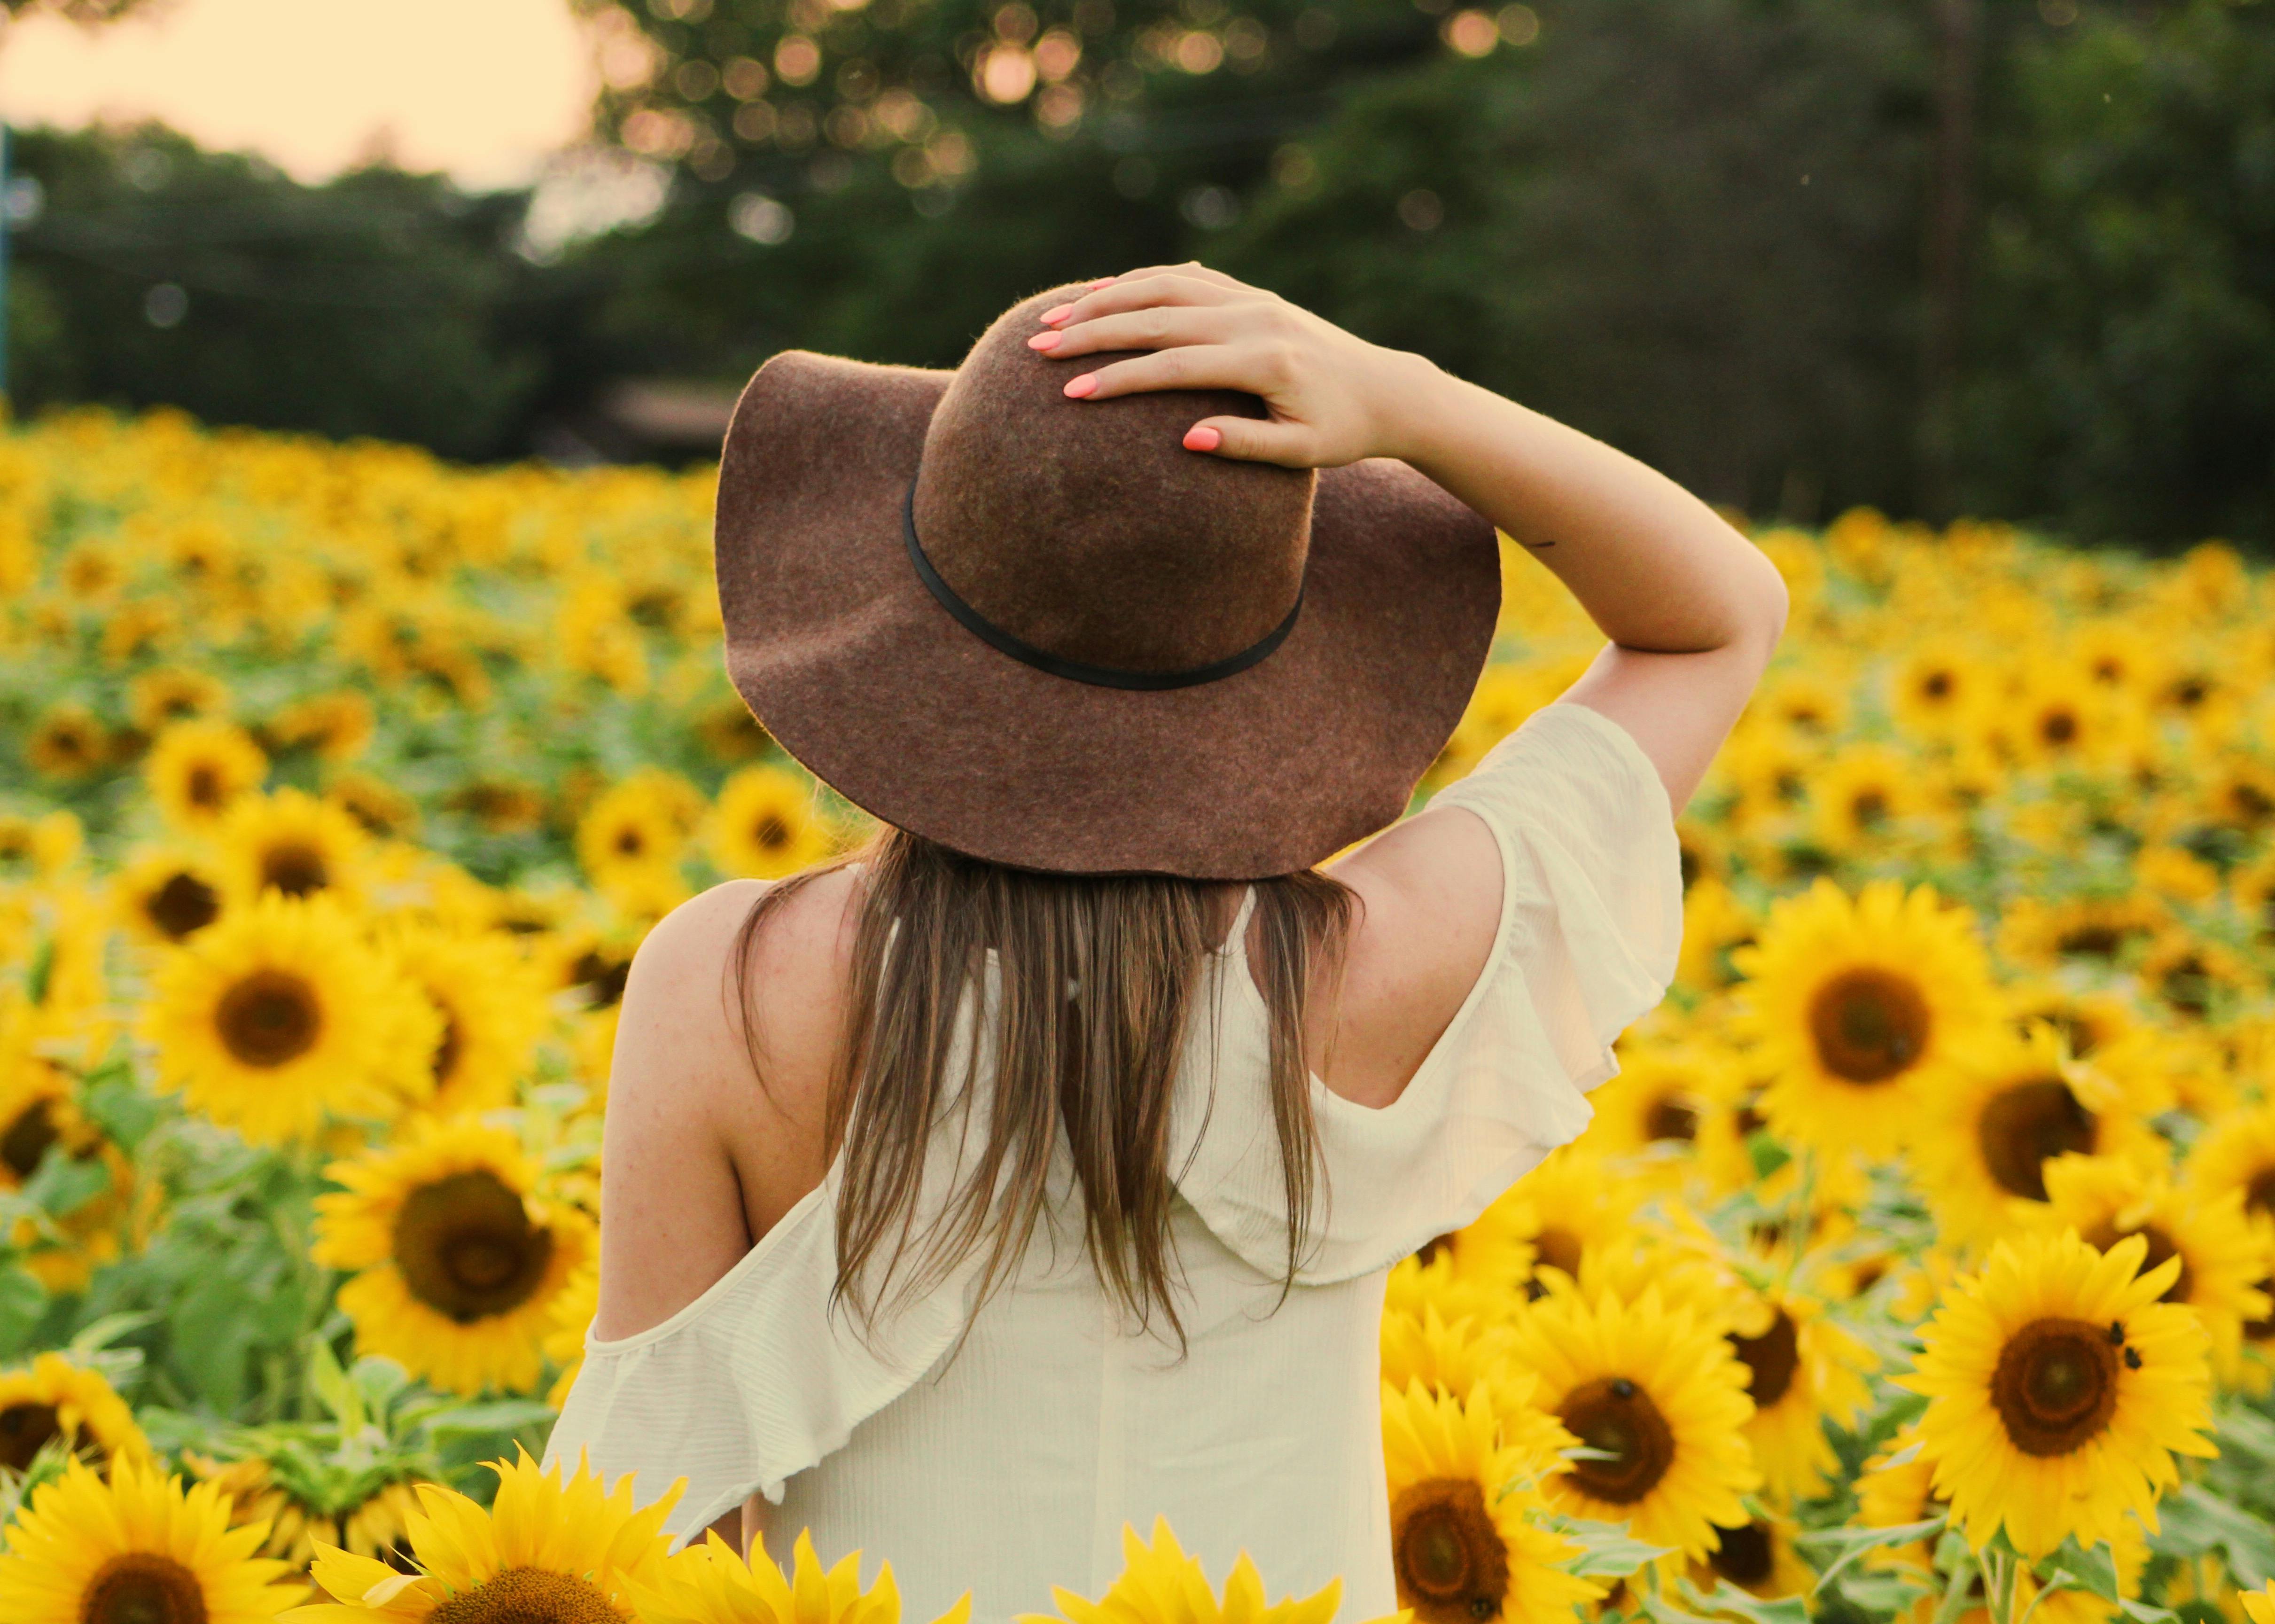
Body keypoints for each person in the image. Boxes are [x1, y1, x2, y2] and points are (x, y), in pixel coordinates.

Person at [544, 263, 1787, 1619]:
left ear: (900, 617)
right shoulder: (1389, 963)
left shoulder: (731, 987)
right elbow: (1713, 622)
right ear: (1269, 656)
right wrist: (1405, 400)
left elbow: (653, 1522)